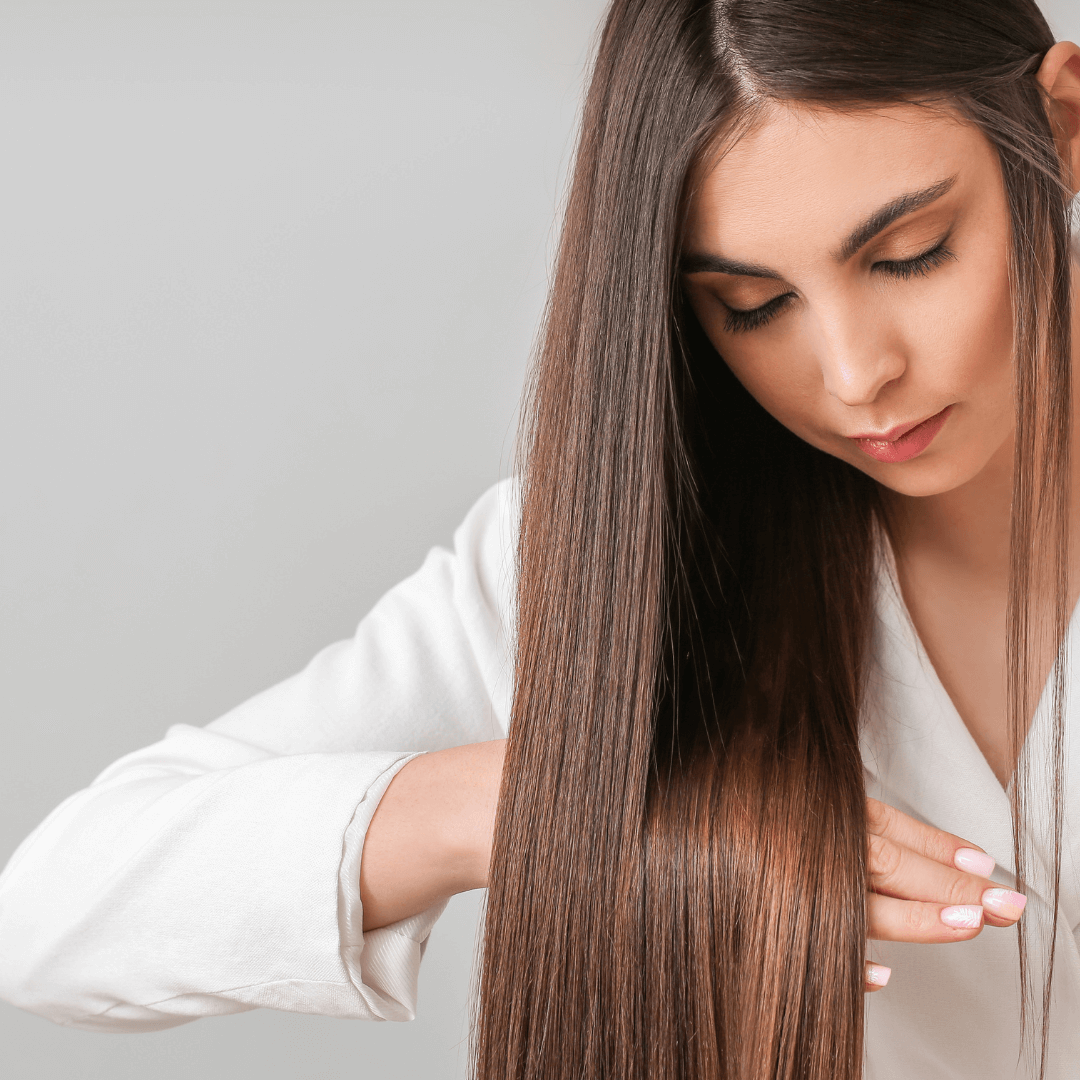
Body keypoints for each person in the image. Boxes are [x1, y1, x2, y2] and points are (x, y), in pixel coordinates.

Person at [1, 0, 1079, 1077]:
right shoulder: (622, 562)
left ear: (1066, 126)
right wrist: (559, 804)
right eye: (753, 306)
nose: (853, 375)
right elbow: (52, 920)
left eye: (909, 256)